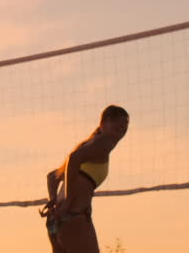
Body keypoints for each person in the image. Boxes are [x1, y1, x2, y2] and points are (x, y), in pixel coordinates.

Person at [42, 105, 130, 253]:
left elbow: (52, 177)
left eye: (125, 125)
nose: (122, 128)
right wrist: (68, 202)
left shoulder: (87, 145)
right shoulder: (105, 143)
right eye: (118, 123)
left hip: (56, 222)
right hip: (74, 218)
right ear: (104, 123)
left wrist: (54, 202)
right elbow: (74, 158)